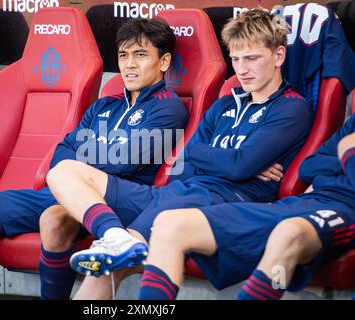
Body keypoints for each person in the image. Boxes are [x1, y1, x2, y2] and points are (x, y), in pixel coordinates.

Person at [42, 8, 313, 299]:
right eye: (235, 59)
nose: (242, 70)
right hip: (178, 191)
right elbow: (186, 162)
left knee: (111, 263)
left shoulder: (291, 107)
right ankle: (116, 236)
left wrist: (232, 161)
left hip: (225, 201)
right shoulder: (224, 105)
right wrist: (234, 159)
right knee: (63, 172)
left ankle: (126, 240)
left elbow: (235, 167)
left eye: (252, 59)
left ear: (279, 56)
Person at [0, 18, 189, 300]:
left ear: (163, 62)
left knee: (54, 220)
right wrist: (74, 168)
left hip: (112, 199)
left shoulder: (168, 108)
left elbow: (123, 162)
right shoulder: (105, 105)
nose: (129, 64)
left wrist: (77, 165)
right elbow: (62, 155)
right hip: (60, 192)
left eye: (140, 55)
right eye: (123, 55)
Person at [137, 115, 355, 300]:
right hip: (307, 202)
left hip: (346, 209)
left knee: (288, 233)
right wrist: (346, 155)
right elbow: (309, 167)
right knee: (169, 224)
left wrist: (346, 150)